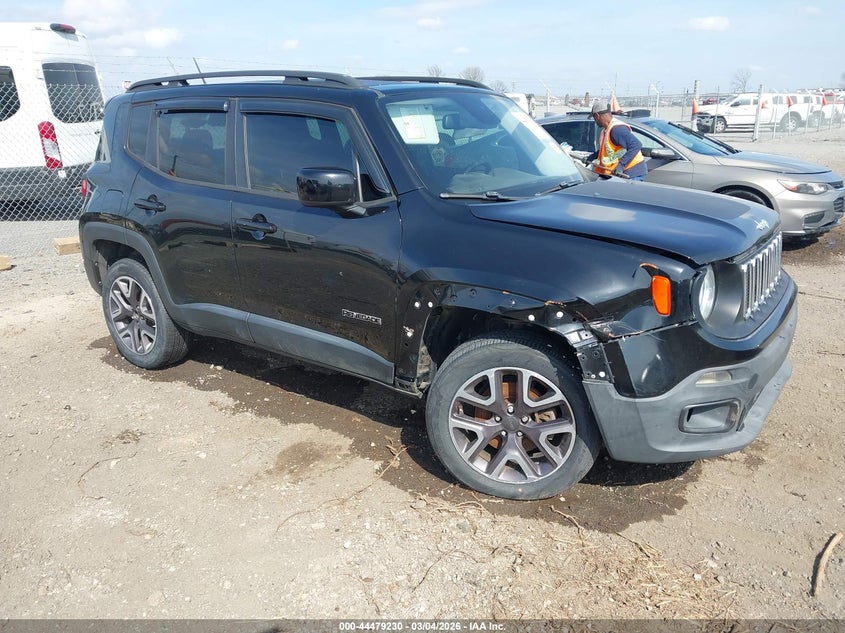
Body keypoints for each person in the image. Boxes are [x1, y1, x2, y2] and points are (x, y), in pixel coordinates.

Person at [583, 102, 648, 181]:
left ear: (597, 115)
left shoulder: (617, 129)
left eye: (594, 118)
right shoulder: (606, 130)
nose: (595, 121)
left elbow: (636, 145)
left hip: (631, 173)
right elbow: (607, 151)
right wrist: (591, 157)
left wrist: (620, 166)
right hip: (620, 173)